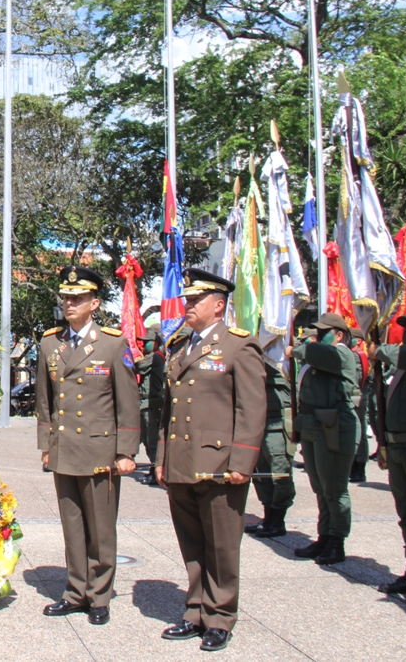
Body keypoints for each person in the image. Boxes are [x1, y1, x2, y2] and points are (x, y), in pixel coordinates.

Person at [155, 267, 266, 653]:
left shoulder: (239, 345)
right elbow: (167, 410)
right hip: (182, 461)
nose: (187, 304)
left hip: (221, 465)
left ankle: (220, 617)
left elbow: (252, 409)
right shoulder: (180, 345)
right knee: (192, 543)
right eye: (187, 299)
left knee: (221, 544)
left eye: (195, 300)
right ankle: (195, 611)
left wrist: (242, 462)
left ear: (218, 306)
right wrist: (161, 459)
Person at [35, 265, 140, 624]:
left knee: (101, 528)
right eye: (66, 298)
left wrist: (126, 451)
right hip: (64, 448)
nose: (69, 303)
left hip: (100, 449)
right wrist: (46, 444)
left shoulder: (112, 344)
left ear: (94, 303)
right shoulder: (51, 343)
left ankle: (99, 596)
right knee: (73, 525)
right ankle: (75, 591)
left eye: (77, 298)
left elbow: (128, 402)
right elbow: (44, 401)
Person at [288, 312, 360, 566]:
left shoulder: (342, 353)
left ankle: (337, 540)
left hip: (335, 427)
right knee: (320, 487)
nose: (316, 337)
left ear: (339, 334)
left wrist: (297, 347)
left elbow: (307, 352)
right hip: (313, 426)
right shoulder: (320, 353)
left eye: (322, 332)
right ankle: (325, 535)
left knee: (334, 488)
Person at [371, 306, 406, 603]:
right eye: (405, 326)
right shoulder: (403, 364)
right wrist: (384, 445)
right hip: (400, 446)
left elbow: (402, 355)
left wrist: (380, 350)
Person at [245, 357, 296, 538]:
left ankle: (277, 519)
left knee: (279, 472)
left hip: (277, 424)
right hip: (258, 422)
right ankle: (268, 516)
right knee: (260, 473)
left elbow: (275, 370)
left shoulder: (279, 356)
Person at [135, 326, 165, 486]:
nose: (143, 345)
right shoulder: (151, 356)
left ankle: (155, 468)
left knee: (151, 437)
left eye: (147, 342)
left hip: (151, 401)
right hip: (144, 401)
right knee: (143, 436)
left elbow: (137, 366)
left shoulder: (155, 357)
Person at [348, 326, 373, 483]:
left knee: (360, 432)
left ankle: (359, 467)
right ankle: (354, 466)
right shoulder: (355, 355)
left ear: (358, 341)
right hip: (356, 397)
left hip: (357, 398)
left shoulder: (357, 356)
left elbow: (354, 380)